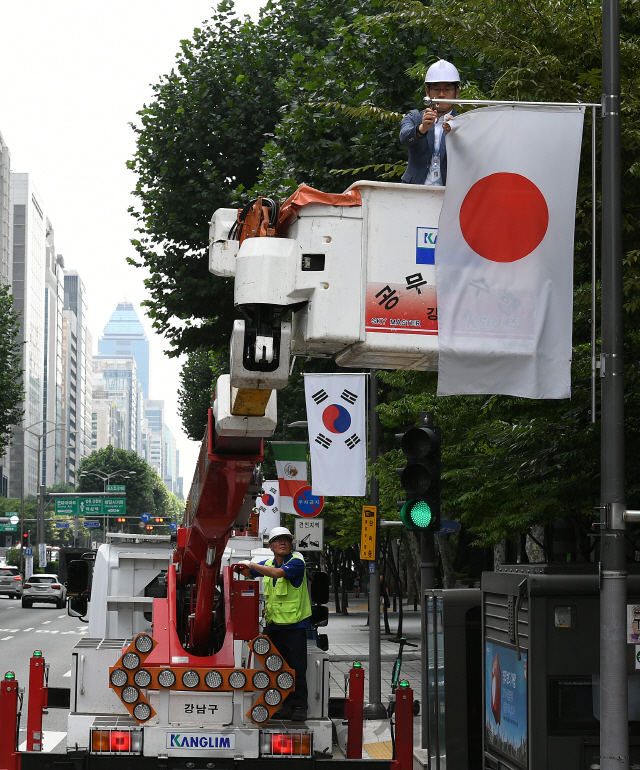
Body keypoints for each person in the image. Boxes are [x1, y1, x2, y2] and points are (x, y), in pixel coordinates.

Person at [235, 526, 312, 722]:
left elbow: (276, 573)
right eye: (278, 540)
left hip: (295, 626)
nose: (283, 543)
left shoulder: (297, 561)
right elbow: (249, 573)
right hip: (274, 626)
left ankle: (298, 707)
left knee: (296, 668)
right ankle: (282, 705)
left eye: (286, 539)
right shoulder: (268, 562)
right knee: (277, 668)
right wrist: (242, 568)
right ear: (271, 546)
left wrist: (250, 564)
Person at [399, 59, 461, 186]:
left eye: (448, 89)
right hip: (415, 190)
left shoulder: (463, 122)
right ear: (428, 92)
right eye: (436, 89)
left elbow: (472, 154)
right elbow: (404, 138)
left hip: (449, 192)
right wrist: (421, 129)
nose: (441, 94)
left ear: (457, 93)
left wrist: (456, 134)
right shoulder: (415, 116)